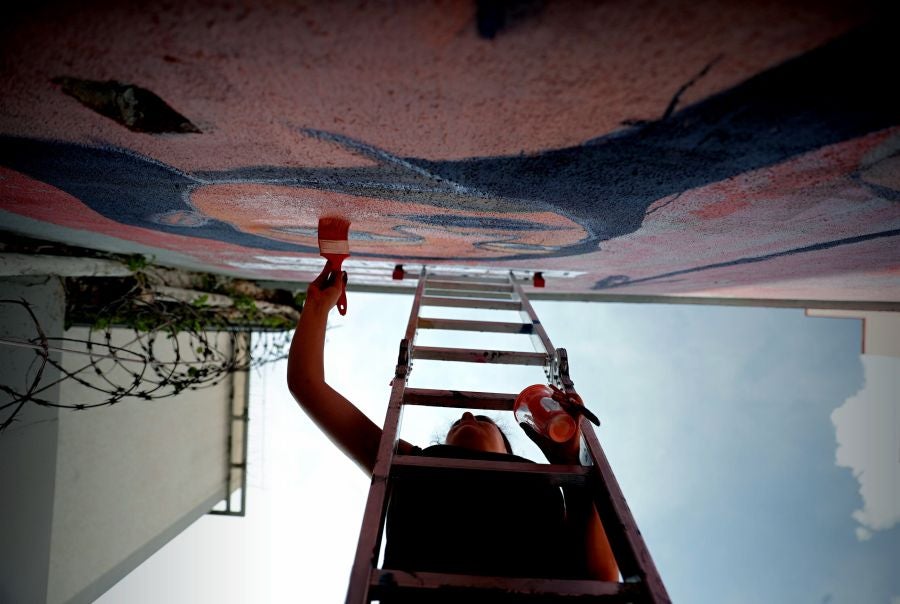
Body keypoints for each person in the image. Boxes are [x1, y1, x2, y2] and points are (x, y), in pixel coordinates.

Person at [287, 266, 618, 582]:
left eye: (480, 418)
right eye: (480, 418)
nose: (467, 415)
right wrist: (573, 462)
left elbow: (307, 387)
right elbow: (602, 580)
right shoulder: (410, 463)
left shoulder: (413, 465)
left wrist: (315, 305)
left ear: (508, 451)